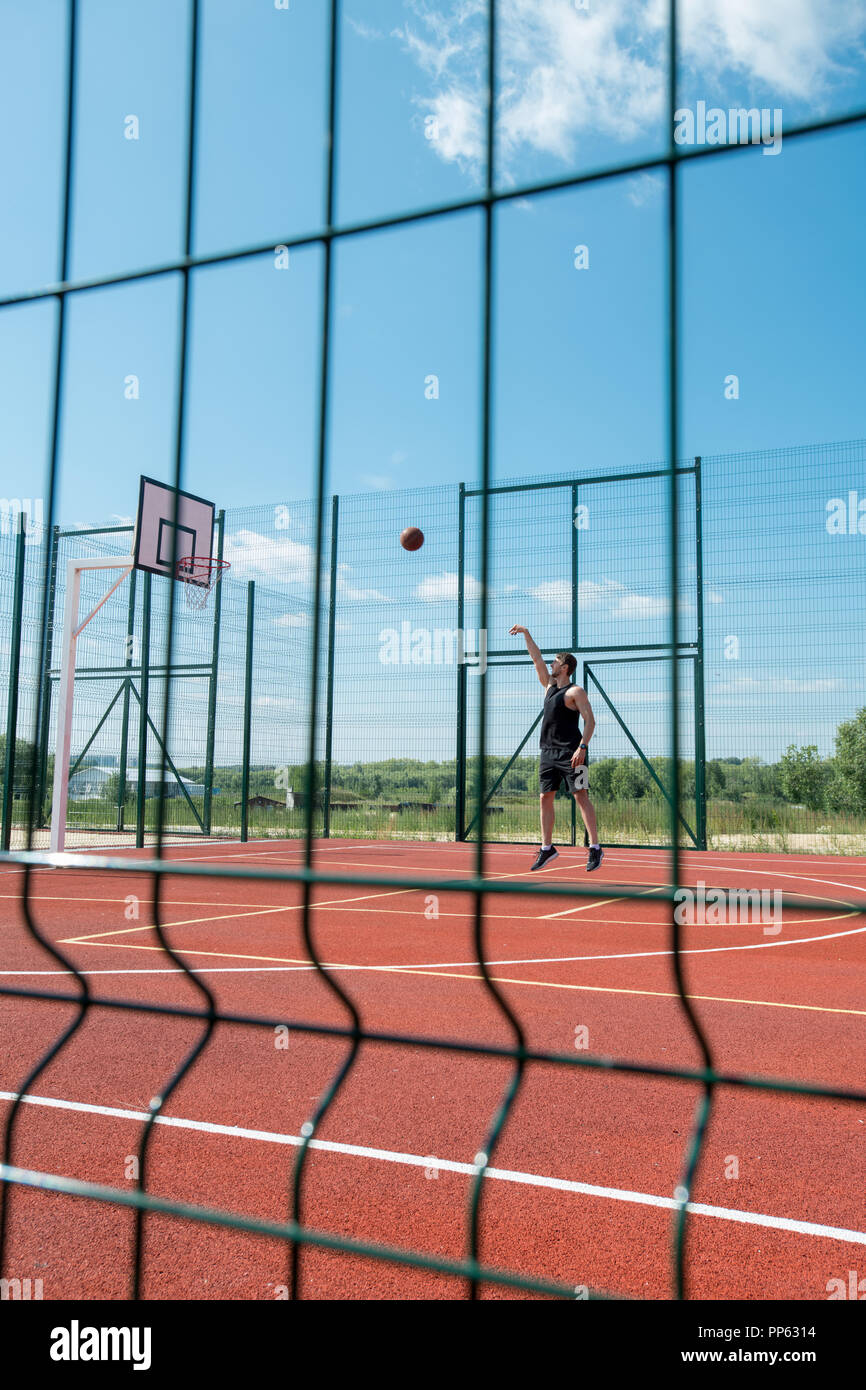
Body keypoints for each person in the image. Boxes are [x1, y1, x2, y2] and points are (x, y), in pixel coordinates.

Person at [508, 626, 603, 872]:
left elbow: (590, 721)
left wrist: (583, 747)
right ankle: (547, 848)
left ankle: (595, 847)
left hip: (573, 752)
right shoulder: (549, 686)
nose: (551, 664)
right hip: (548, 753)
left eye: (555, 662)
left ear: (565, 667)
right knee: (544, 797)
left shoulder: (575, 691)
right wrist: (526, 634)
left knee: (581, 796)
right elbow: (536, 658)